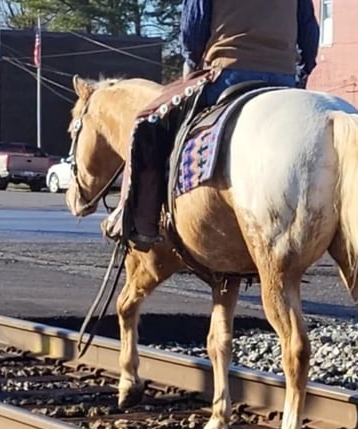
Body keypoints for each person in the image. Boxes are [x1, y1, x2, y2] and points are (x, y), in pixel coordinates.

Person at [123, 0, 320, 251]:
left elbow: (193, 28)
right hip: (283, 78)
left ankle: (145, 224)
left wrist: (193, 64)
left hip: (228, 73)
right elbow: (309, 31)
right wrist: (300, 74)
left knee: (151, 120)